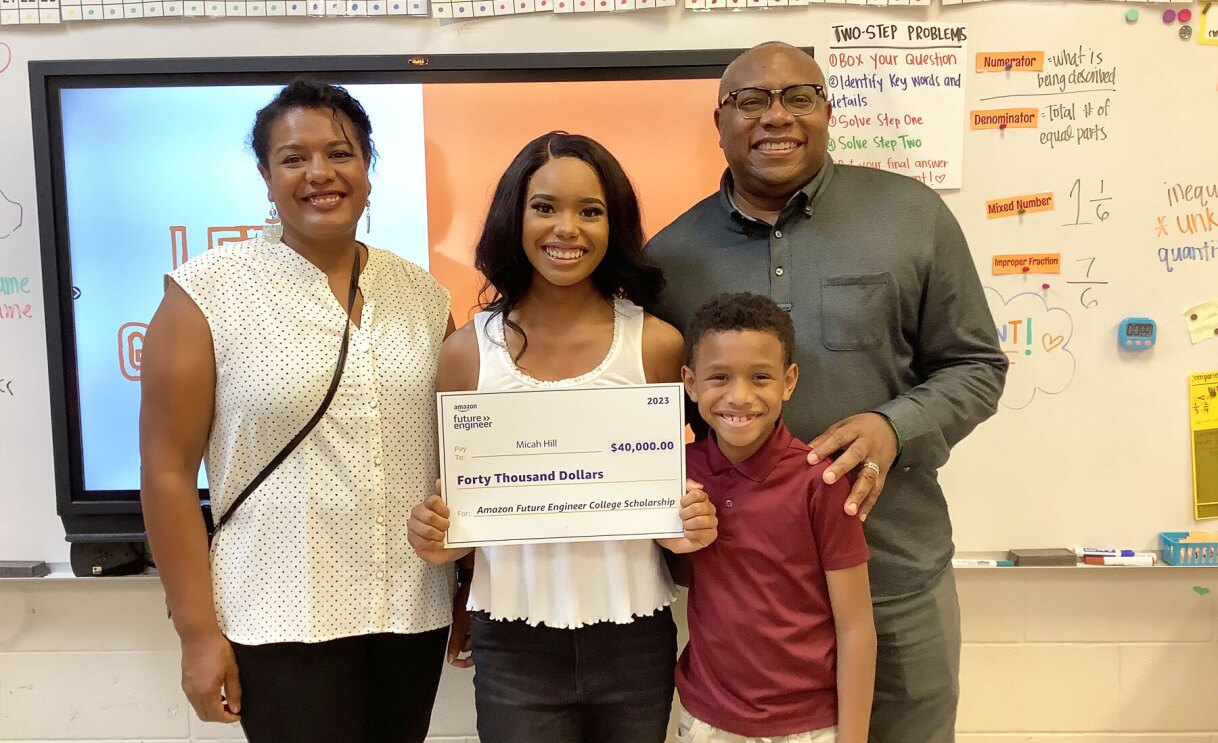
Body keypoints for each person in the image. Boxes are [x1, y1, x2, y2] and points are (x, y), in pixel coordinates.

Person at [647, 42, 1008, 742]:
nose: (775, 116)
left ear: (828, 110)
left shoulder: (911, 215)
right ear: (719, 121)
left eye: (798, 96)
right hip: (750, 605)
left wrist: (895, 425)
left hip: (894, 574)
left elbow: (976, 365)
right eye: (751, 100)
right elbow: (650, 418)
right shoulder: (669, 259)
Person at [139, 80, 457, 743]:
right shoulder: (205, 293)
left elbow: (457, 454)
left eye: (340, 153)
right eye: (293, 158)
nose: (319, 173)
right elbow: (167, 472)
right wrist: (197, 634)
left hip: (411, 610)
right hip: (277, 613)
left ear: (367, 168)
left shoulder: (424, 296)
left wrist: (469, 585)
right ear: (266, 176)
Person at [406, 131, 718, 743]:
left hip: (634, 637)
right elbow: (456, 509)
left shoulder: (657, 345)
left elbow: (691, 481)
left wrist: (691, 519)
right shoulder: (466, 352)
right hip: (512, 645)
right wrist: (439, 535)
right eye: (544, 207)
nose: (566, 229)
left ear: (614, 224)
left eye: (590, 211)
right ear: (514, 219)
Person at [677, 292, 875, 743]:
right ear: (690, 382)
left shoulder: (820, 481)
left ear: (788, 382)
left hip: (808, 727)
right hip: (707, 721)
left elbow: (855, 626)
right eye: (719, 377)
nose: (739, 397)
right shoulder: (677, 473)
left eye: (760, 377)